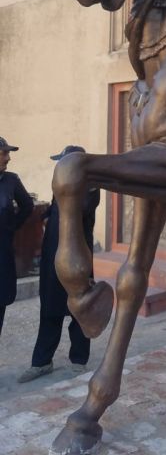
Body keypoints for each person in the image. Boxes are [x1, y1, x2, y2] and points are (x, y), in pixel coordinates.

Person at [18, 146, 100, 382]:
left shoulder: (90, 190)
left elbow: (83, 210)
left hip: (78, 262)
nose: (59, 168)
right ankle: (41, 362)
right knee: (49, 311)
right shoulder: (61, 188)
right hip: (53, 262)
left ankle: (78, 360)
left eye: (63, 164)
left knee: (79, 310)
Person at [0, 137, 34, 335]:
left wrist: (11, 227)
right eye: (4, 153)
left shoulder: (11, 180)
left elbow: (27, 206)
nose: (8, 157)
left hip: (2, 256)